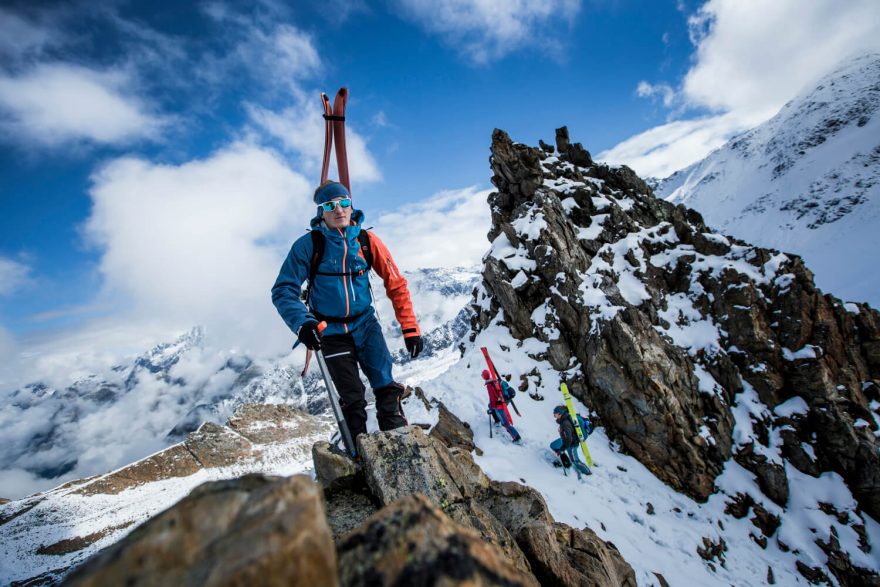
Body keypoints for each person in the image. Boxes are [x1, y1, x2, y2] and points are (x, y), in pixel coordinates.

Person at [272, 180, 424, 442]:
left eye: (344, 203)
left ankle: (399, 444)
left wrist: (410, 328)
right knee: (352, 399)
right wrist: (302, 323)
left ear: (351, 205)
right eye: (330, 205)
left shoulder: (367, 240)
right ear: (321, 211)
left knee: (386, 387)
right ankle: (360, 457)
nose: (339, 209)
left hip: (365, 324)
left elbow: (396, 284)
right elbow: (283, 290)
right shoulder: (308, 245)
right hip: (329, 331)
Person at [551, 405, 591, 478]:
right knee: (553, 445)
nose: (553, 414)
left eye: (555, 412)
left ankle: (588, 473)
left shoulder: (565, 423)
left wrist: (561, 450)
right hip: (565, 441)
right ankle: (566, 461)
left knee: (575, 461)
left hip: (572, 444)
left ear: (560, 414)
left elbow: (569, 439)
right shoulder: (563, 420)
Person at [482, 370, 521, 442]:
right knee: (490, 405)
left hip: (499, 406)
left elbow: (492, 399)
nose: (482, 376)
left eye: (482, 375)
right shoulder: (494, 381)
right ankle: (497, 421)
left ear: (484, 377)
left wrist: (492, 408)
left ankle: (517, 438)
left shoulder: (489, 385)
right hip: (503, 402)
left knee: (506, 423)